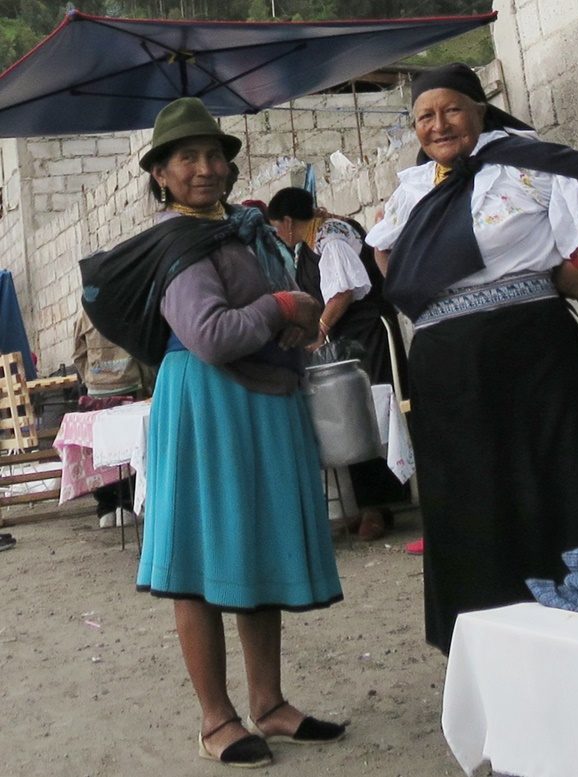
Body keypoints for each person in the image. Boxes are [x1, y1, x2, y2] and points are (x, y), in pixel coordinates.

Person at [80, 97, 345, 768]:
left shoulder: (242, 233)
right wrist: (283, 305)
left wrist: (288, 313)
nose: (204, 167)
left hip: (264, 400)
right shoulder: (176, 244)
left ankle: (271, 703)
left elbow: (281, 320)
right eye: (186, 158)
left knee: (253, 548)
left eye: (213, 155)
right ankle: (216, 717)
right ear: (161, 175)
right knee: (199, 561)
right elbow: (210, 334)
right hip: (206, 404)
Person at [365, 63, 578, 655]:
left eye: (451, 110)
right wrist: (422, 297)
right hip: (445, 361)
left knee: (555, 476)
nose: (439, 125)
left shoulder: (526, 160)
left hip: (531, 348)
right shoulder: (415, 187)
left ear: (479, 109)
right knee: (468, 494)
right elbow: (380, 245)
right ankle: (488, 634)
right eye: (424, 117)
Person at [267, 187, 409, 541]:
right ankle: (367, 506)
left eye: (276, 227)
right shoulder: (312, 243)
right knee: (351, 418)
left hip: (368, 336)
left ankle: (379, 506)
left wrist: (321, 329)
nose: (277, 235)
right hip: (352, 341)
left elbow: (343, 291)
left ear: (287, 222)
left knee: (368, 418)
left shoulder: (331, 239)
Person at [72, 309, 154, 528]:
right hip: (131, 386)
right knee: (132, 449)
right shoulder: (128, 302)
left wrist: (91, 379)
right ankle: (128, 505)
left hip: (97, 390)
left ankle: (106, 508)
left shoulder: (85, 310)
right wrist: (147, 382)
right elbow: (143, 348)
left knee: (102, 451)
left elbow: (78, 354)